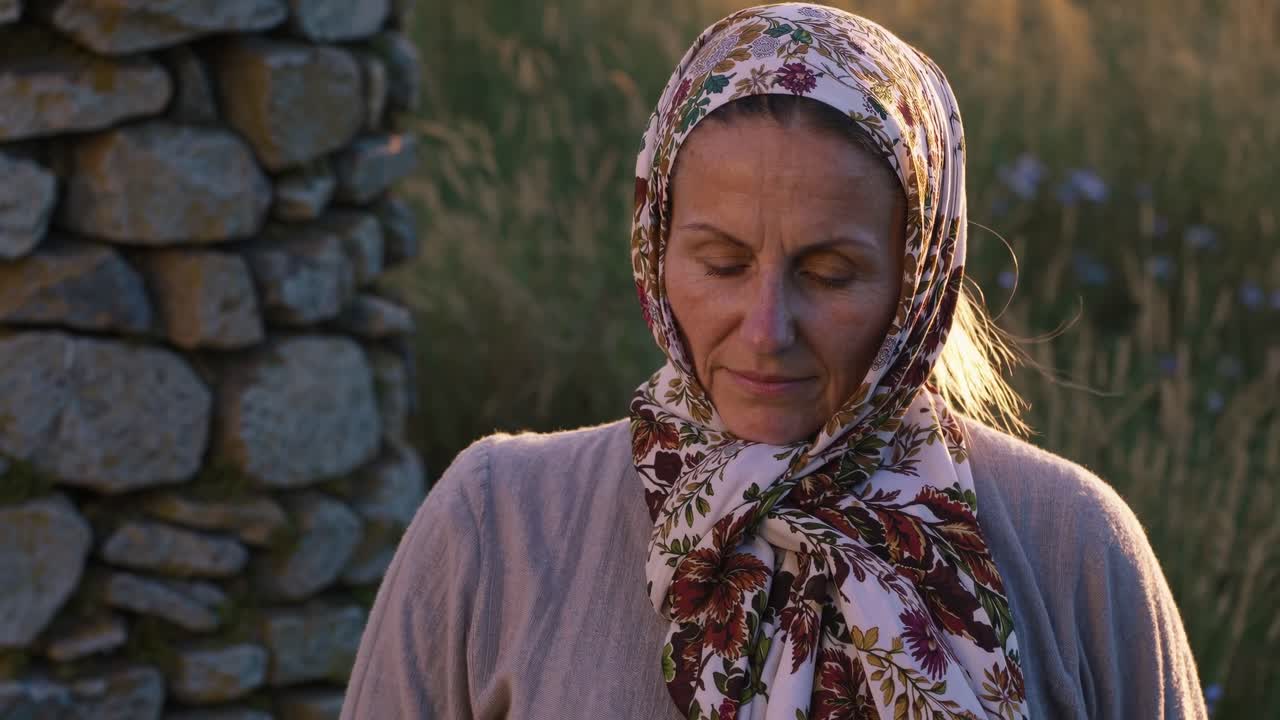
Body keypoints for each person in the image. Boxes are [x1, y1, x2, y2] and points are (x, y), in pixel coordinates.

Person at [341, 4, 1207, 718]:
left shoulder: (1072, 549)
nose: (766, 329)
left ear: (919, 278)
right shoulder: (498, 529)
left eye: (829, 275)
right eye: (720, 264)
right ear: (655, 253)